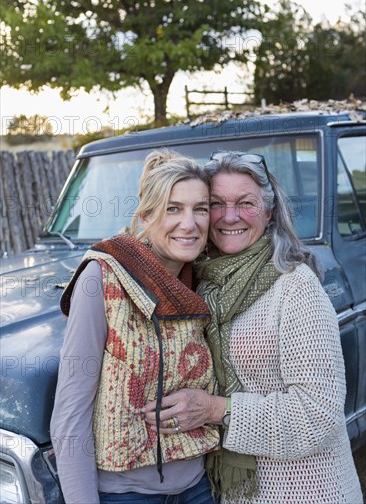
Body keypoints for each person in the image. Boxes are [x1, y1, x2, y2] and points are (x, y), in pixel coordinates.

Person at [143, 151, 363, 503]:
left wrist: (214, 409)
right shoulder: (198, 282)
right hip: (232, 492)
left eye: (246, 203)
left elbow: (319, 414)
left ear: (270, 212)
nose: (230, 216)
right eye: (216, 203)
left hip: (307, 491)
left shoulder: (295, 287)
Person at [50, 149, 221, 504]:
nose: (189, 224)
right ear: (146, 215)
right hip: (126, 494)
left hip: (197, 487)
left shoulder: (203, 279)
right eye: (173, 208)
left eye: (200, 208)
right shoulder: (102, 277)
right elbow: (70, 413)